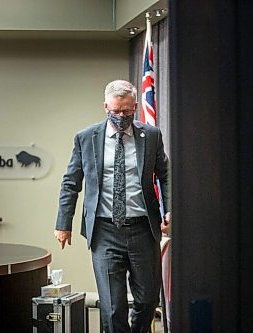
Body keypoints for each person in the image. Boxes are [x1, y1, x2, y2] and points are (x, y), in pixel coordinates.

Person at [54, 79, 171, 332]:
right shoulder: (87, 138)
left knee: (148, 299)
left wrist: (168, 208)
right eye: (115, 111)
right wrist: (63, 224)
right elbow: (71, 183)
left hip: (143, 228)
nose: (121, 116)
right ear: (105, 106)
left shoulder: (151, 136)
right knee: (112, 306)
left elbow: (165, 174)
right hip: (104, 231)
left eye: (127, 111)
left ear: (136, 107)